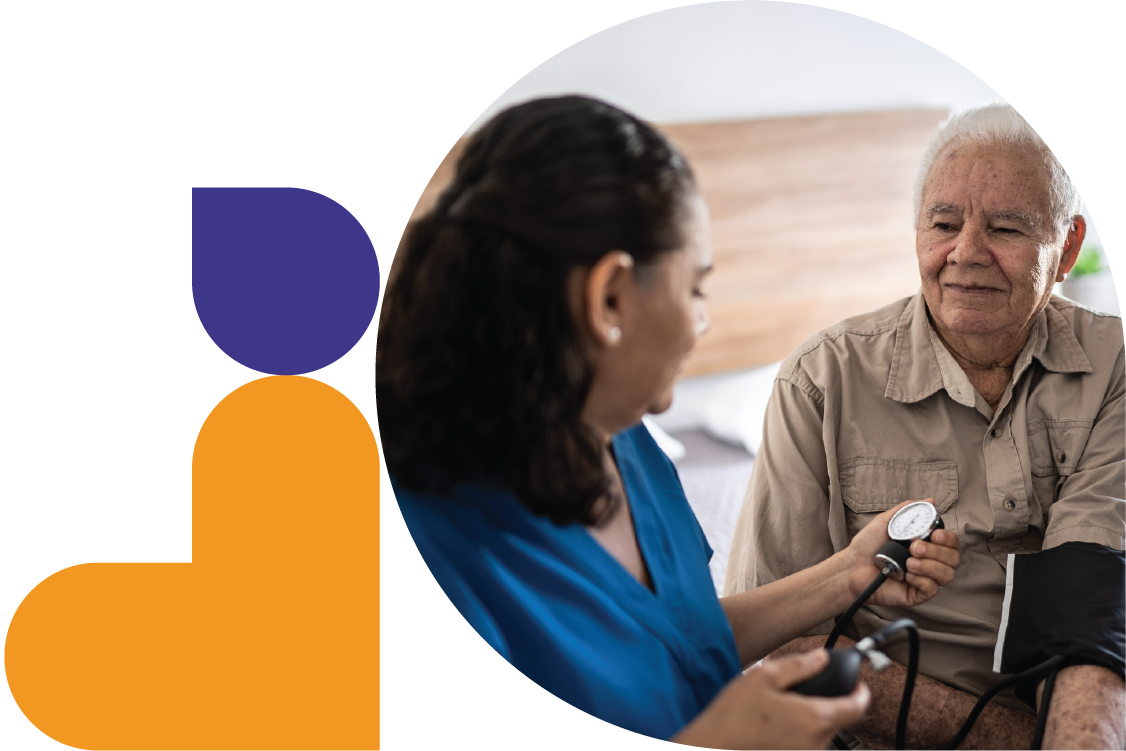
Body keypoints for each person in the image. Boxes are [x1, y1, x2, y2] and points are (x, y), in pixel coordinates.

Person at [376, 95, 961, 748]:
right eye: (696, 289)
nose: (702, 321)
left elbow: (676, 640)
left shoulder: (625, 439)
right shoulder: (426, 562)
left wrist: (845, 574)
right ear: (611, 298)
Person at [725, 102, 1125, 749]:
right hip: (891, 718)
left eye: (1004, 227)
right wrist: (1021, 741)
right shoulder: (821, 379)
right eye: (943, 223)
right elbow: (782, 640)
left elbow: (1093, 597)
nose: (966, 253)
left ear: (1067, 247)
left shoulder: (1114, 365)